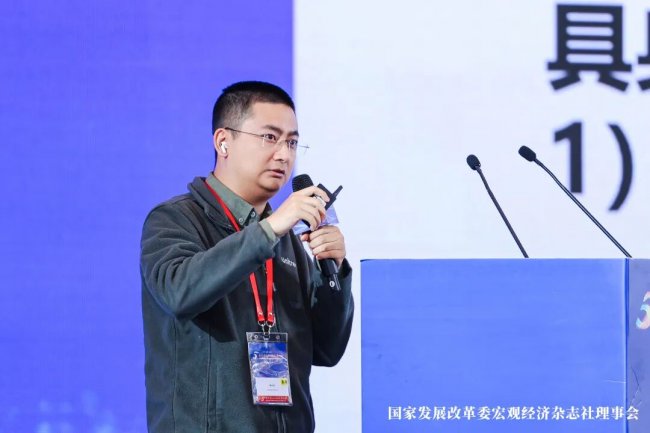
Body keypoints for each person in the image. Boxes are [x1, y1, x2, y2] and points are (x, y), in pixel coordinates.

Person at [140, 81, 354, 433]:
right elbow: (180, 292)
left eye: (292, 142)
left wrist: (334, 273)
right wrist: (270, 230)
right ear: (223, 141)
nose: (284, 155)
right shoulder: (175, 219)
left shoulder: (286, 239)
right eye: (270, 137)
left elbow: (327, 350)